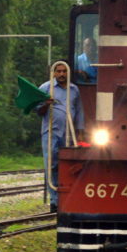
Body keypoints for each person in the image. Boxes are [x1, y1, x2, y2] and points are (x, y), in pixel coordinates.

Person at [36, 61, 85, 212]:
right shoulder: (45, 88)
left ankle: (68, 198)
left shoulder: (74, 90)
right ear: (54, 72)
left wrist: (80, 131)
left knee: (67, 165)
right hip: (51, 131)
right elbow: (38, 111)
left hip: (69, 132)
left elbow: (79, 111)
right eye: (59, 71)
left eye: (64, 71)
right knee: (51, 164)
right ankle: (55, 201)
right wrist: (45, 104)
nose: (62, 74)